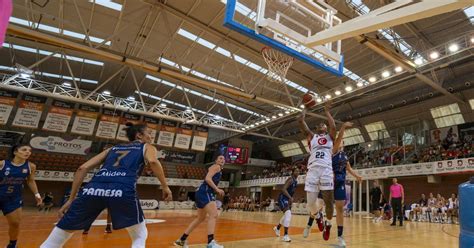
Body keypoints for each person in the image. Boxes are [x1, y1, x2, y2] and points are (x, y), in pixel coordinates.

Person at [40, 123, 172, 248]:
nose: (151, 136)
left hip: (93, 188)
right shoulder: (147, 147)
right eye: (149, 133)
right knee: (139, 234)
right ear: (139, 136)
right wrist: (165, 186)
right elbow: (153, 161)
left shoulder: (112, 149)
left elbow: (82, 168)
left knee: (60, 235)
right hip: (121, 189)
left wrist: (71, 198)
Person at [301, 102, 349, 241]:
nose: (341, 144)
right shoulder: (328, 147)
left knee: (330, 205)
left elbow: (335, 132)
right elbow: (336, 135)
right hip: (317, 174)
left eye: (342, 143)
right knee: (314, 204)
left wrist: (356, 176)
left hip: (330, 178)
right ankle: (312, 224)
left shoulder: (339, 152)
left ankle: (329, 226)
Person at [174, 155, 225, 248]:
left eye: (223, 159)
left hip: (200, 192)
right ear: (216, 160)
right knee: (214, 215)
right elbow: (208, 179)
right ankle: (210, 242)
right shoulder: (216, 167)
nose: (222, 160)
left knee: (200, 218)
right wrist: (217, 189)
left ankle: (181, 239)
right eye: (220, 158)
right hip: (205, 192)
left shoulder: (216, 169)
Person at [1, 143, 43, 248]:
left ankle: (12, 245)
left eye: (29, 151)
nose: (28, 152)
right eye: (24, 150)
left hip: (13, 198)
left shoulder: (31, 166)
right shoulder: (2, 164)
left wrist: (37, 194)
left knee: (15, 223)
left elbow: (31, 180)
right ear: (15, 152)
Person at [331, 142, 362, 247]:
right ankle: (320, 219)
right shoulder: (332, 152)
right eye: (339, 140)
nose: (341, 142)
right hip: (329, 183)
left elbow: (349, 168)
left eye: (343, 141)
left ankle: (340, 237)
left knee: (340, 209)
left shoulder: (344, 155)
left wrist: (357, 176)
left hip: (340, 183)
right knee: (321, 205)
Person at [273, 168, 300, 242]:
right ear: (293, 172)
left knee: (286, 215)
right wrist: (290, 197)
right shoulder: (290, 180)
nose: (298, 172)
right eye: (296, 171)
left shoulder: (296, 181)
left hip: (287, 199)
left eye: (298, 171)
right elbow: (283, 189)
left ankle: (277, 228)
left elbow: (291, 192)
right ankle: (285, 235)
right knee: (288, 214)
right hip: (282, 198)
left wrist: (290, 199)